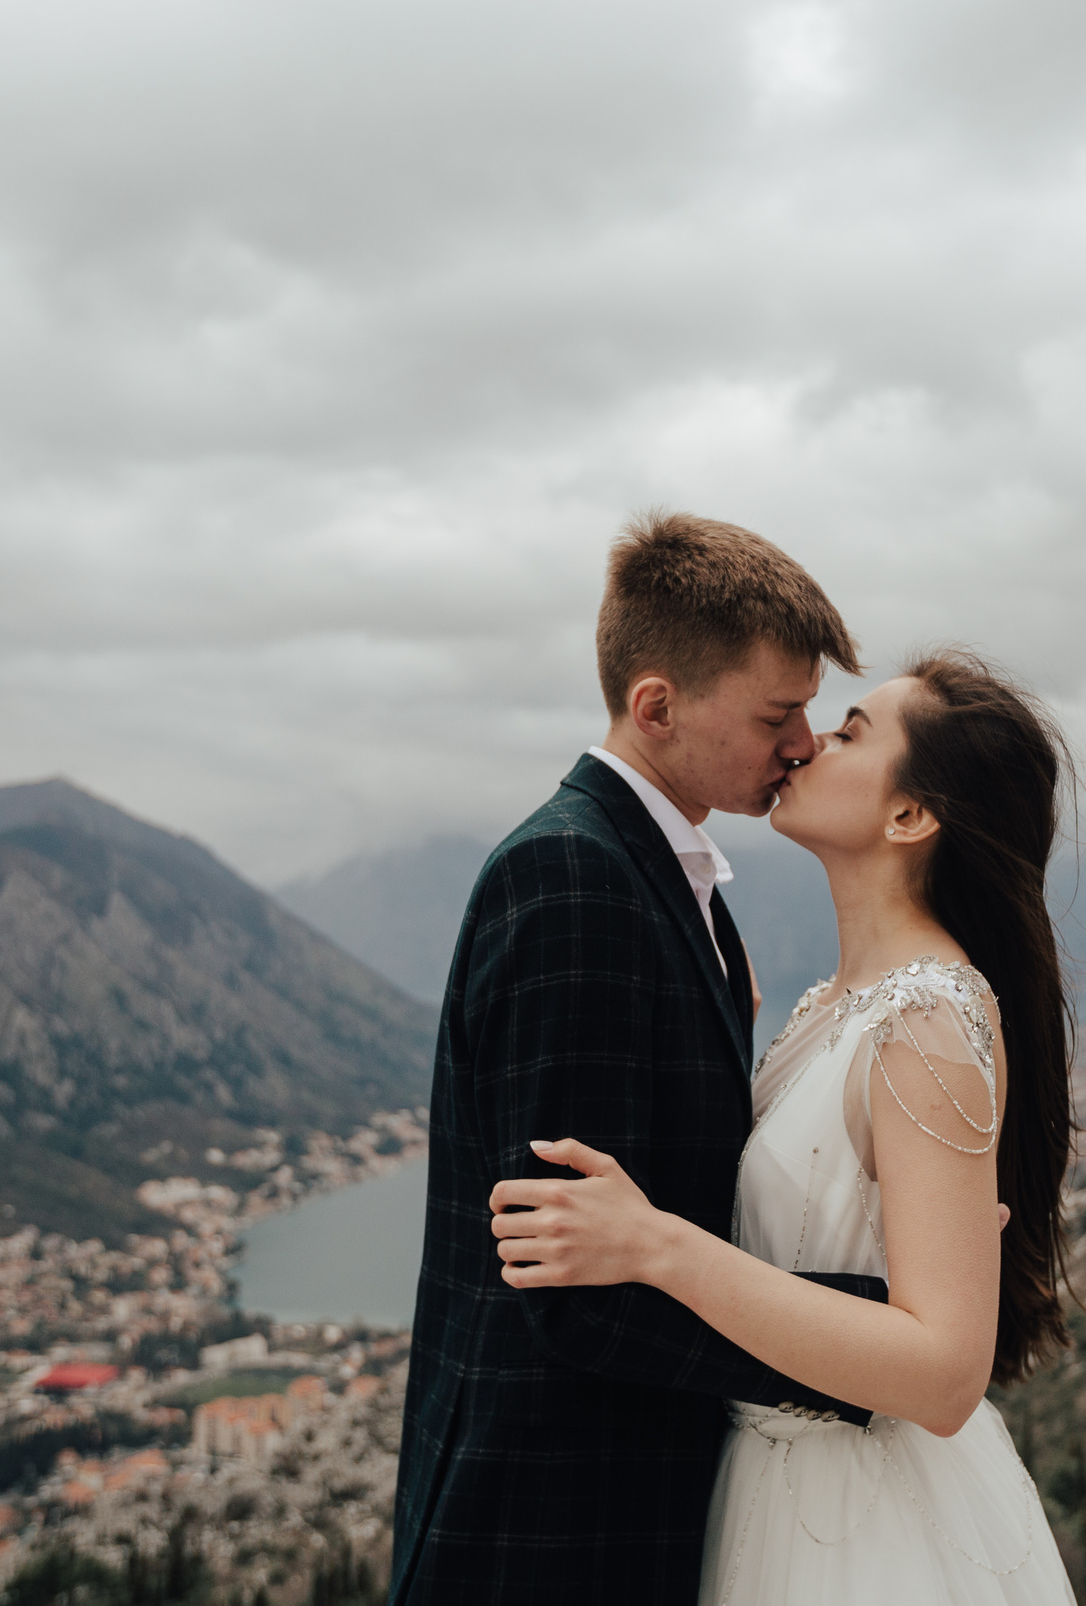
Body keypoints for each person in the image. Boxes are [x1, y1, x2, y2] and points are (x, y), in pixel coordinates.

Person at [491, 649, 1080, 1603]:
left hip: (859, 1530)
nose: (806, 745)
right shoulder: (830, 1007)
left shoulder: (925, 1023)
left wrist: (657, 1247)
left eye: (850, 732)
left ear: (909, 815)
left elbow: (943, 1370)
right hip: (763, 1485)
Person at [391, 512, 890, 1604]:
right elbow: (570, 1285)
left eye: (808, 710)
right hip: (547, 1532)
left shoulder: (661, 879)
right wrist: (872, 1340)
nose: (802, 742)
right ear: (656, 706)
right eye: (778, 712)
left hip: (616, 1510)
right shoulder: (573, 881)